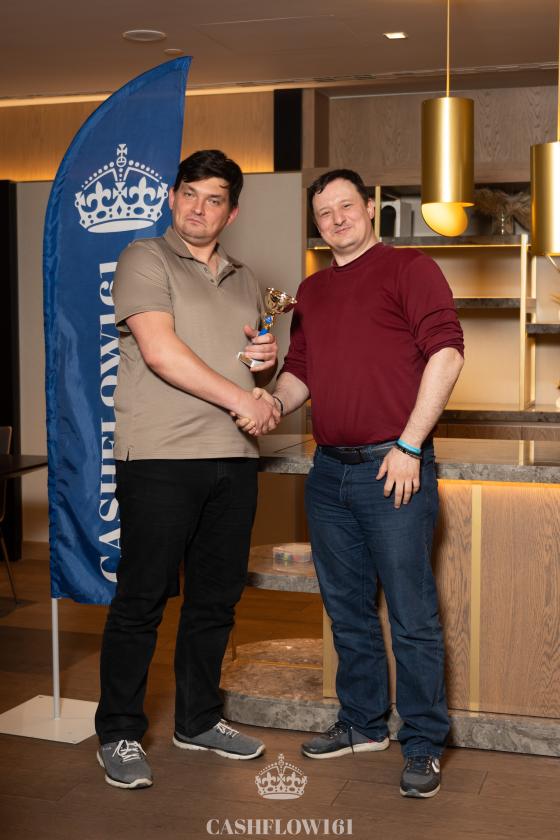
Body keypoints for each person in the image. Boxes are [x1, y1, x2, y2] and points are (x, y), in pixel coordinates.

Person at [242, 168, 464, 798]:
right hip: (329, 472)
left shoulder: (410, 269)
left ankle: (422, 742)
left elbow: (447, 352)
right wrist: (268, 401)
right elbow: (301, 373)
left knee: (412, 615)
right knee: (347, 611)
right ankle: (363, 724)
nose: (337, 219)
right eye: (324, 213)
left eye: (347, 206)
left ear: (370, 208)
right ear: (316, 224)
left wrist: (409, 445)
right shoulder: (311, 291)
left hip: (393, 468)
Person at [95, 150, 280, 789]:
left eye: (215, 198)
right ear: (172, 197)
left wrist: (264, 365)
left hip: (233, 457)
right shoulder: (144, 258)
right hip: (161, 458)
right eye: (190, 194)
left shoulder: (247, 278)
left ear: (233, 211)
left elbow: (249, 368)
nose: (200, 208)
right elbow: (161, 352)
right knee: (142, 598)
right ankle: (118, 731)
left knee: (215, 600)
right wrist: (245, 400)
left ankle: (198, 719)